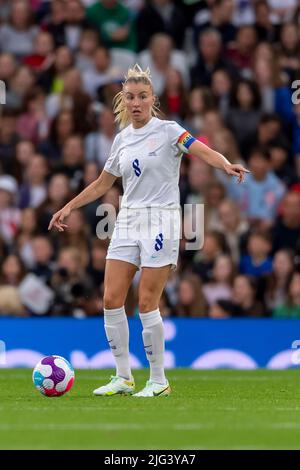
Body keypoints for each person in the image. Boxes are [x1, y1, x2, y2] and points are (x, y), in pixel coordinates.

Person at [48, 64, 248, 397]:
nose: (136, 102)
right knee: (111, 299)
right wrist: (69, 205)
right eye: (130, 97)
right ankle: (123, 376)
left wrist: (225, 164)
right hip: (127, 217)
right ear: (123, 100)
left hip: (162, 220)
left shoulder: (169, 131)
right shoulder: (122, 139)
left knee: (146, 302)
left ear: (152, 99)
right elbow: (102, 183)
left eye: (142, 96)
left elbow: (201, 148)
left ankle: (158, 380)